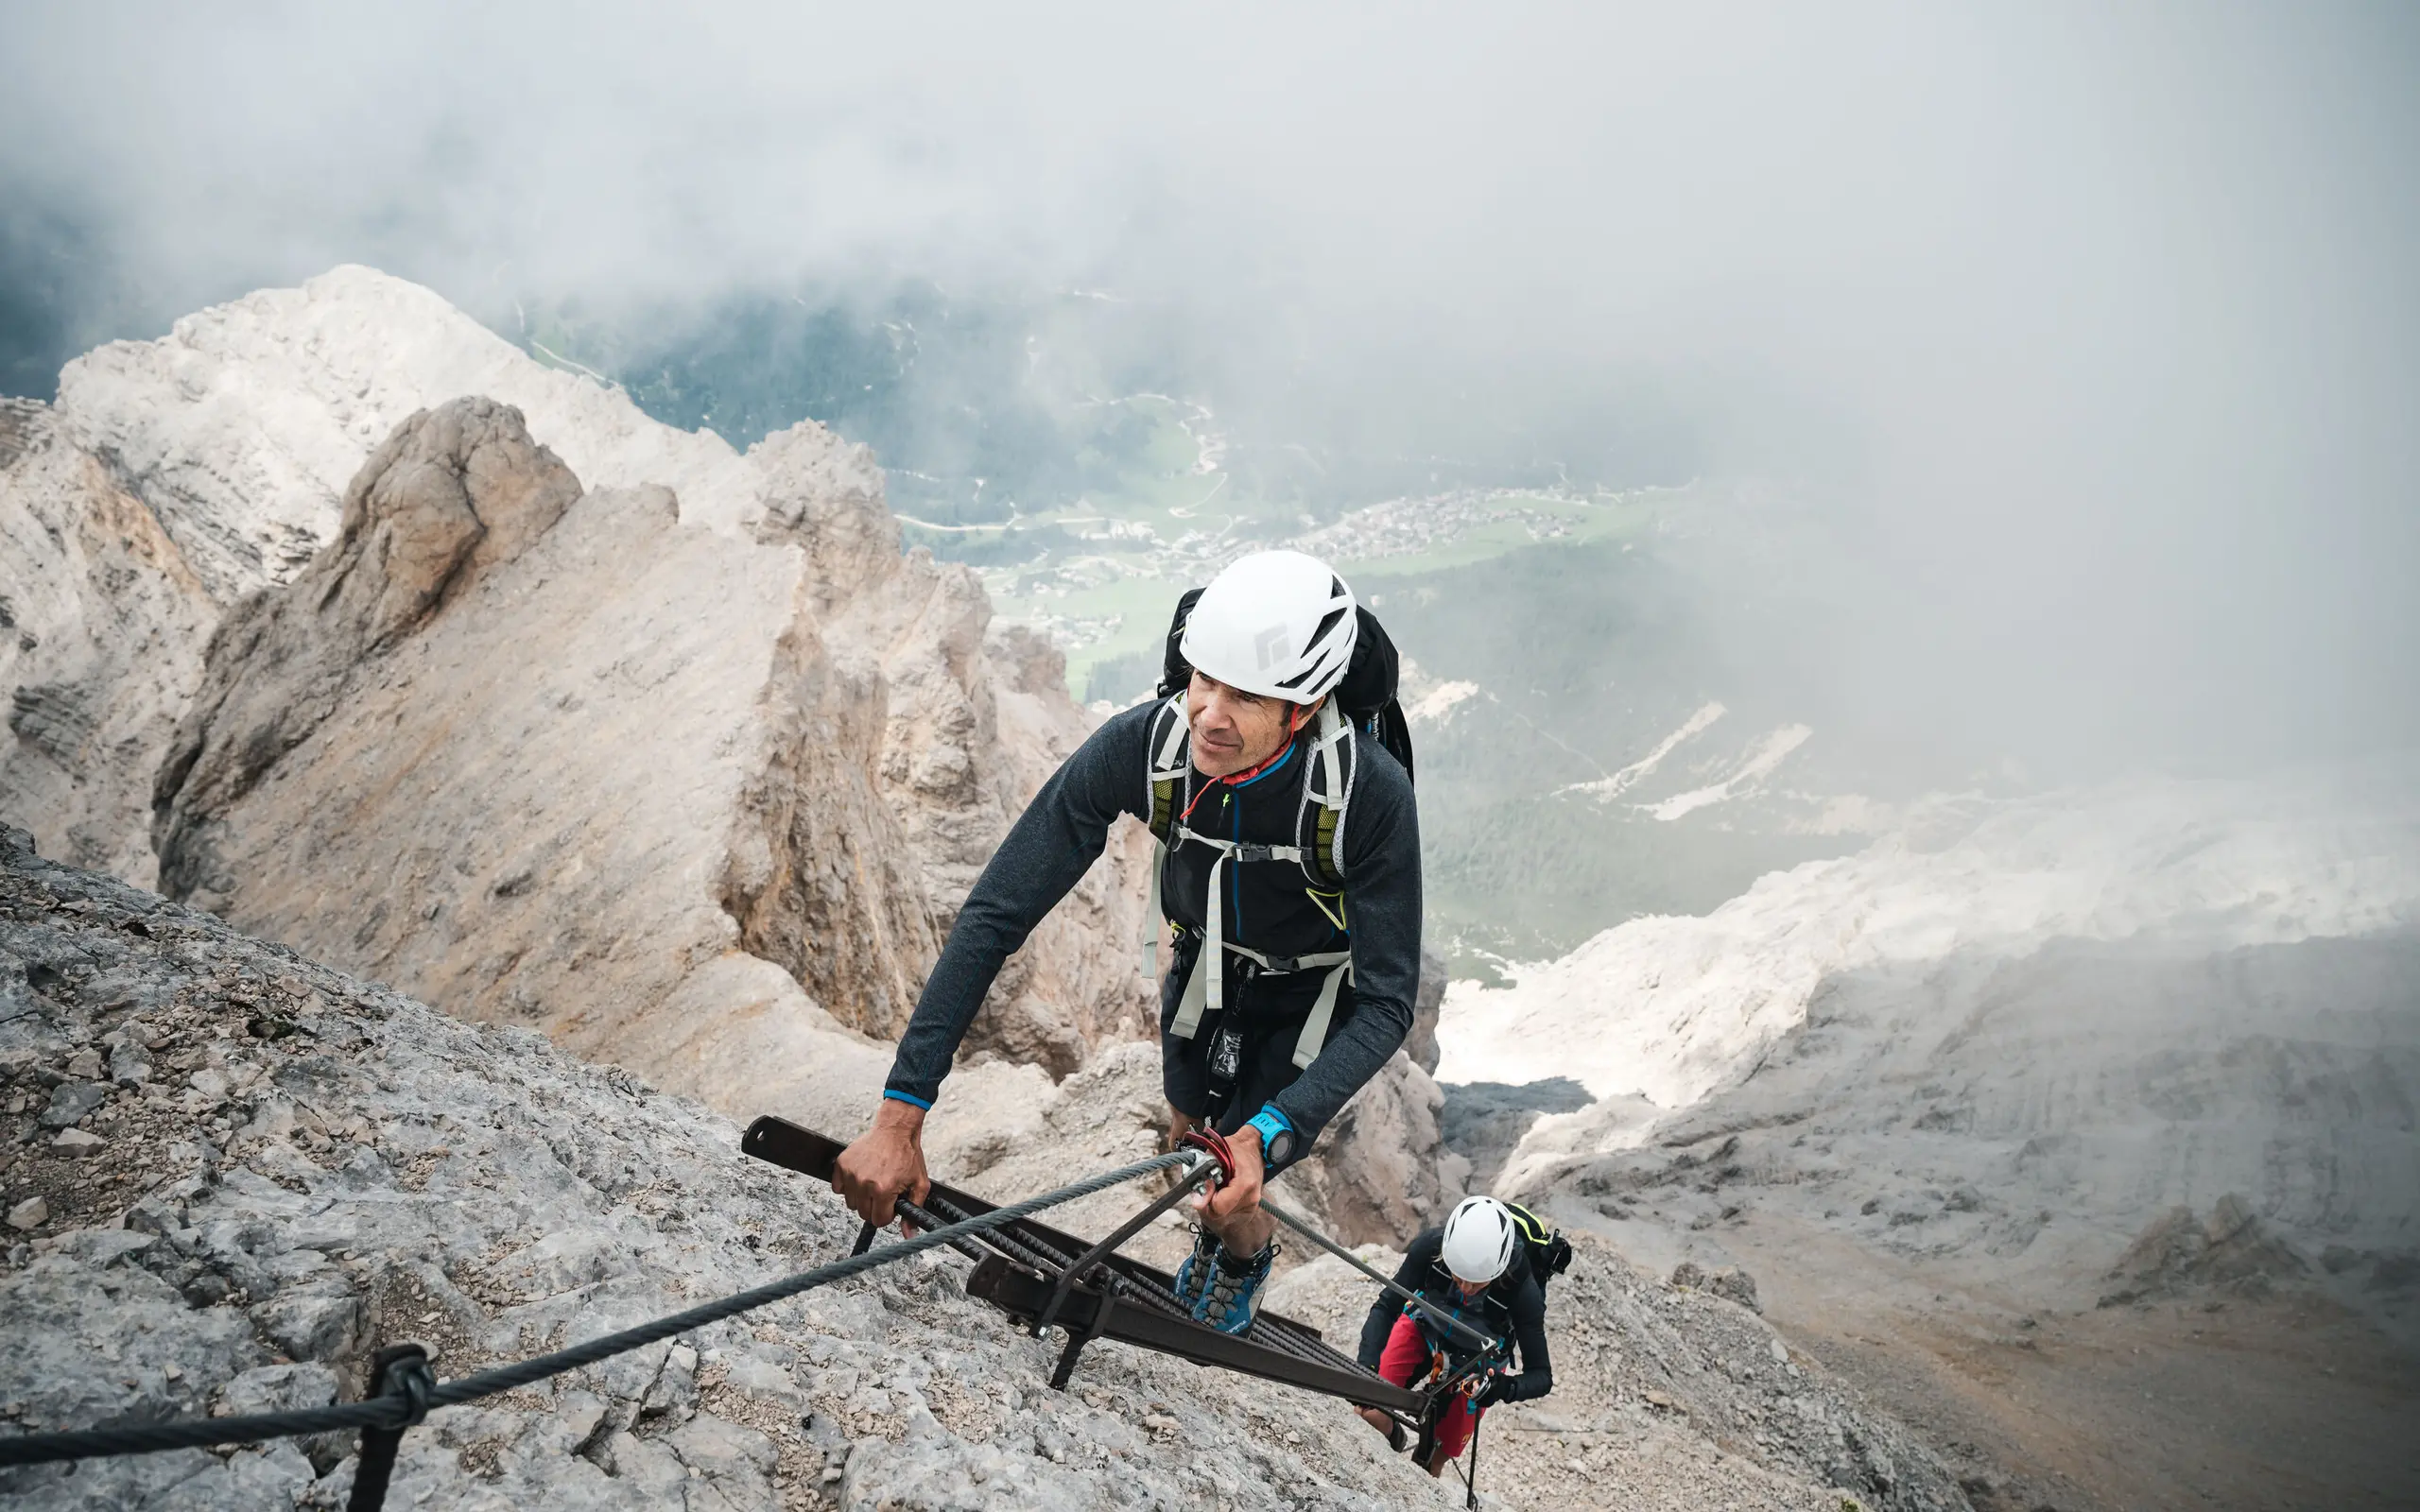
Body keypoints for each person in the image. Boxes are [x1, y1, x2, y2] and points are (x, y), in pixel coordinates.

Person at [833, 549, 1422, 1335]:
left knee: (1229, 1173)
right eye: (1203, 677)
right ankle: (1219, 1201)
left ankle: (1243, 1254)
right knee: (1188, 1129)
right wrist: (900, 1115)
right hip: (1201, 968)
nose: (1210, 712)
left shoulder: (1368, 794)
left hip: (1311, 998)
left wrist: (1271, 1133)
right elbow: (995, 914)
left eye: (1247, 696)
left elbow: (1386, 1004)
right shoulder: (1144, 745)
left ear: (1305, 708)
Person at [1355, 1196, 1554, 1475]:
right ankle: (1392, 1432)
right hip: (1424, 1326)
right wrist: (1367, 1363)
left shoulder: (1523, 1290)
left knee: (1433, 1459)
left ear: (1498, 1269)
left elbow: (1542, 1376)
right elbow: (1387, 1305)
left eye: (1478, 1281)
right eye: (1458, 1276)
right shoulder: (1430, 1247)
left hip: (1478, 1361)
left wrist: (1502, 1388)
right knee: (1368, 1412)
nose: (1466, 1287)